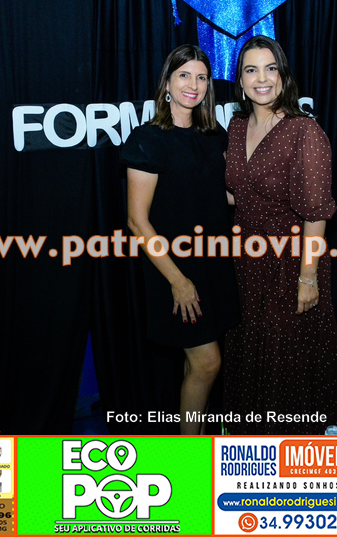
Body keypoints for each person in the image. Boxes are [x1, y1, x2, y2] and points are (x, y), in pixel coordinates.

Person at [224, 35, 337, 434]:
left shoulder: (303, 130)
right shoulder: (236, 126)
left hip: (290, 263)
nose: (262, 79)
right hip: (245, 260)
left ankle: (297, 446)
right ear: (240, 80)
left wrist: (307, 277)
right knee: (250, 352)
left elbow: (316, 212)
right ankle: (250, 444)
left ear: (283, 75)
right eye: (251, 70)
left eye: (270, 68)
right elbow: (237, 192)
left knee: (287, 358)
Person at [121, 45, 239, 434]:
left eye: (202, 77)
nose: (194, 84)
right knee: (207, 362)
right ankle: (189, 453)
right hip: (174, 270)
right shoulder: (147, 139)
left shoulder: (214, 135)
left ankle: (195, 442)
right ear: (167, 83)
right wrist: (177, 280)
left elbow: (221, 196)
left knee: (198, 364)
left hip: (213, 264)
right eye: (184, 75)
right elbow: (137, 221)